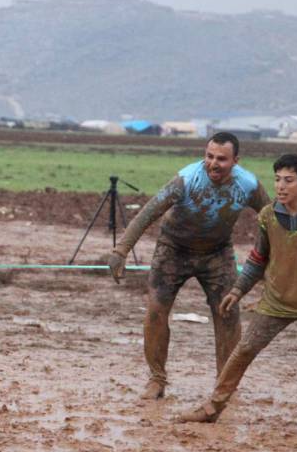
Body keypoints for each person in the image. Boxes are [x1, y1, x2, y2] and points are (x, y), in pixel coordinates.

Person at [178, 154, 297, 432]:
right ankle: (212, 408)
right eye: (277, 179)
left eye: (288, 180)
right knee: (243, 351)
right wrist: (238, 291)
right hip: (276, 301)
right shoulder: (267, 216)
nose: (280, 186)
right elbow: (257, 259)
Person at [107, 132, 270, 400]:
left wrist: (272, 261)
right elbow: (149, 212)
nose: (213, 164)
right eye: (209, 156)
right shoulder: (186, 179)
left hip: (217, 253)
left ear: (236, 161)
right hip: (173, 249)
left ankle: (225, 383)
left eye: (221, 159)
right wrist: (121, 250)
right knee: (156, 310)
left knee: (228, 312)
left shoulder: (249, 185)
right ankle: (157, 378)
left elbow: (270, 219)